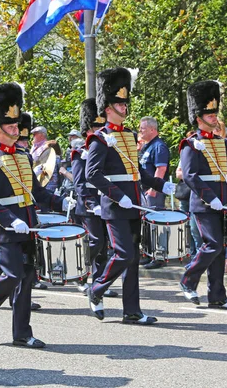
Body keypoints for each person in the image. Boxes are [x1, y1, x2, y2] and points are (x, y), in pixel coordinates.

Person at [0, 82, 73, 348]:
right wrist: (11, 221)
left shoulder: (21, 154)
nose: (15, 130)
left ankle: (22, 333)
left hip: (29, 223)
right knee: (13, 274)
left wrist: (60, 201)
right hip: (6, 227)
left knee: (27, 279)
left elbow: (36, 191)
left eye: (16, 125)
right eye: (10, 126)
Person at [85, 67, 174, 324]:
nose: (124, 108)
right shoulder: (100, 139)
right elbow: (93, 174)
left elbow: (135, 172)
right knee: (123, 254)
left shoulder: (129, 135)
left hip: (134, 204)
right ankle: (97, 288)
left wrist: (159, 184)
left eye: (125, 103)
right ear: (107, 107)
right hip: (115, 206)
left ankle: (132, 311)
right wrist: (115, 195)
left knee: (132, 259)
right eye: (119, 104)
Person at [178, 80, 227, 309]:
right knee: (212, 245)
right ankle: (188, 280)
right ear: (198, 117)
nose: (214, 118)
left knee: (220, 249)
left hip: (223, 201)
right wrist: (209, 197)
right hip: (204, 203)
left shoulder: (222, 143)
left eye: (214, 114)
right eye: (209, 114)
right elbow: (191, 176)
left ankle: (217, 296)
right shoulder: (190, 144)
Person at [71, 98, 118, 298]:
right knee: (95, 242)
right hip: (88, 203)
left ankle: (99, 281)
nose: (100, 129)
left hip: (105, 200)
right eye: (96, 126)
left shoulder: (106, 147)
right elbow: (80, 183)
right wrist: (91, 203)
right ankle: (79, 274)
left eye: (102, 125)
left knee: (104, 245)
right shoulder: (79, 152)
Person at [138, 116, 171, 269]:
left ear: (152, 129)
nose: (140, 131)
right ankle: (149, 253)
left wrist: (153, 188)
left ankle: (159, 256)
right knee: (148, 223)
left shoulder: (159, 146)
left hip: (154, 190)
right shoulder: (148, 146)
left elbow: (161, 169)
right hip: (145, 190)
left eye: (142, 128)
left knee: (156, 223)